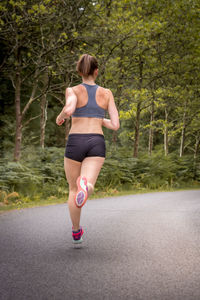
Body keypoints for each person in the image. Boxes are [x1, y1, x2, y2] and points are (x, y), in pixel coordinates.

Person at [56, 54, 120, 244]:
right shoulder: (107, 93)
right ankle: (88, 186)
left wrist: (60, 117)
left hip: (76, 141)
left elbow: (69, 110)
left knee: (73, 189)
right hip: (96, 141)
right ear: (96, 71)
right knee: (86, 184)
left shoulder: (72, 90)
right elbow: (115, 125)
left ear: (79, 71)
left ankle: (76, 231)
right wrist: (99, 119)